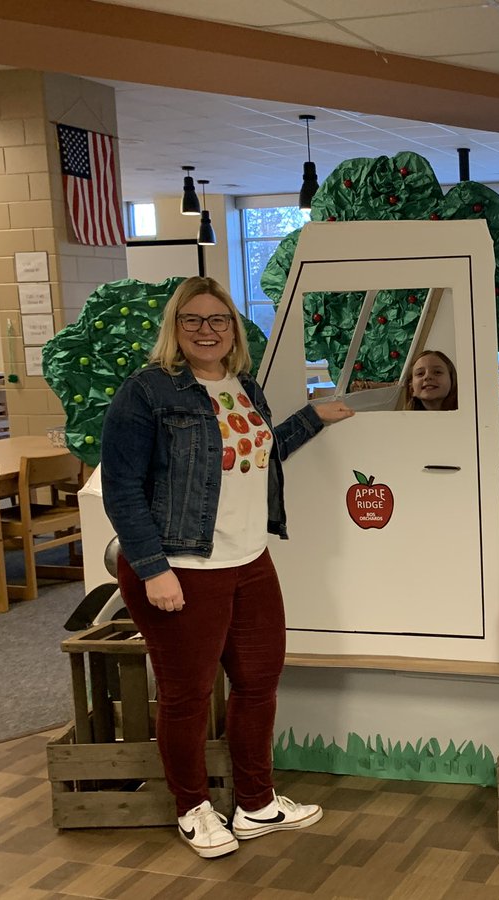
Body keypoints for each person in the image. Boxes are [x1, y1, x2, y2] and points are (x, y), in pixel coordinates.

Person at [100, 276, 354, 860]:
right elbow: (121, 488)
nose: (206, 330)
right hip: (181, 565)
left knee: (259, 682)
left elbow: (260, 451)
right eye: (193, 320)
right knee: (187, 696)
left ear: (233, 330)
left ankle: (256, 802)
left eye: (218, 320)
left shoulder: (244, 386)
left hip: (249, 560)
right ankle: (192, 808)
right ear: (175, 327)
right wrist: (152, 567)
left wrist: (313, 418)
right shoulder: (146, 392)